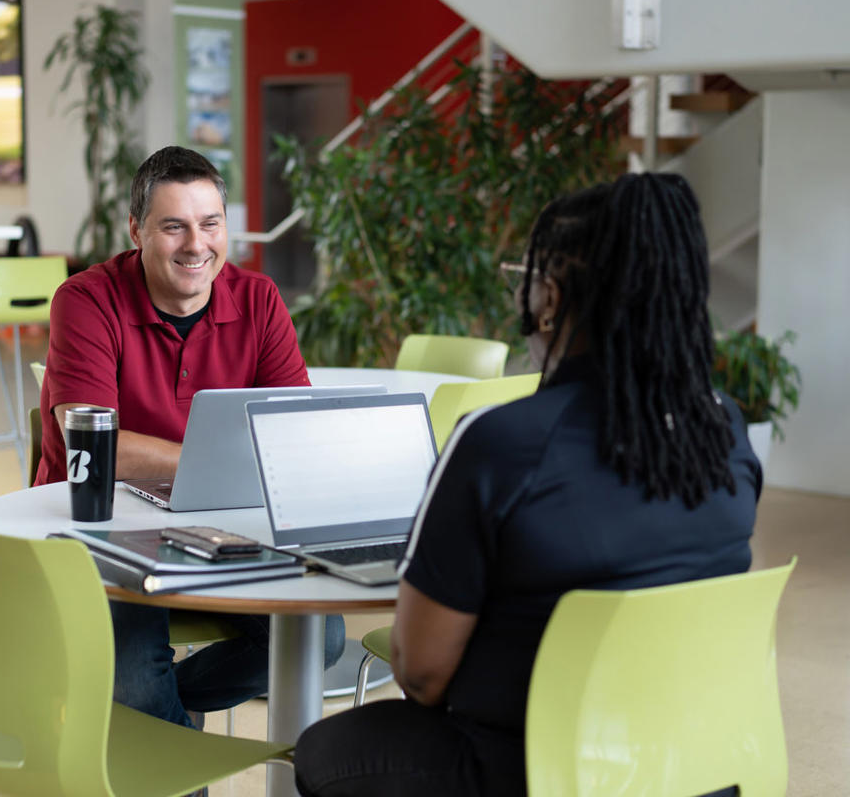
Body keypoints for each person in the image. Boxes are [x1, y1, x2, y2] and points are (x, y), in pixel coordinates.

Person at [293, 172, 762, 797]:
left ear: (551, 298)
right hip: (690, 765)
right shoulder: (725, 427)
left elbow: (424, 676)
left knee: (330, 748)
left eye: (529, 274)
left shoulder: (499, 442)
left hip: (533, 772)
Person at [38, 145, 345, 729]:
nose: (196, 245)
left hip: (215, 523)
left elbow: (293, 437)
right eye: (173, 226)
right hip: (95, 528)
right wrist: (213, 462)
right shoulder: (84, 300)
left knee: (320, 639)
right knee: (132, 668)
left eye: (210, 224)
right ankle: (148, 715)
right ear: (137, 230)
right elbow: (93, 450)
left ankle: (150, 713)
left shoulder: (258, 300)